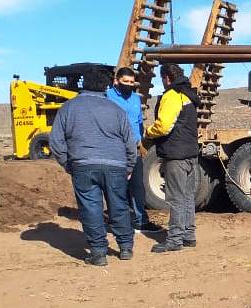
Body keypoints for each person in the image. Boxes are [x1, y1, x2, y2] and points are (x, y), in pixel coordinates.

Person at [49, 69, 137, 266]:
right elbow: (130, 142)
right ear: (107, 85)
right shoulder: (116, 110)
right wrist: (129, 166)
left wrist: (68, 163)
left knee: (90, 207)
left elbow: (55, 141)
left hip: (83, 164)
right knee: (119, 205)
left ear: (83, 84)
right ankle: (125, 247)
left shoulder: (68, 108)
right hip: (116, 165)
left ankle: (98, 252)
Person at [144, 63, 201, 253]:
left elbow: (164, 126)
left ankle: (175, 239)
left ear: (166, 77)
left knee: (176, 198)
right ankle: (188, 236)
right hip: (191, 154)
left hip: (175, 155)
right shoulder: (188, 94)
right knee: (187, 197)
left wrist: (148, 132)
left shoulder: (172, 96)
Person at [106, 67, 162, 233]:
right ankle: (117, 222)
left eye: (132, 82)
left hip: (134, 148)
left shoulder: (136, 99)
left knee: (138, 186)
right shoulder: (107, 97)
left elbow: (138, 122)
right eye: (126, 82)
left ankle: (141, 221)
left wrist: (142, 142)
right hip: (115, 148)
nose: (129, 85)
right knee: (116, 187)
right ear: (117, 81)